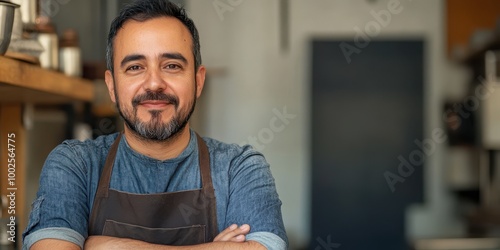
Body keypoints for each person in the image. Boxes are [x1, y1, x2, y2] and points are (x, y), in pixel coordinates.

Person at [21, 0, 288, 249]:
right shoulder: (74, 165)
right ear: (112, 86)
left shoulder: (239, 168)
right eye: (135, 67)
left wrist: (102, 244)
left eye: (171, 65)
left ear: (198, 81)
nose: (154, 83)